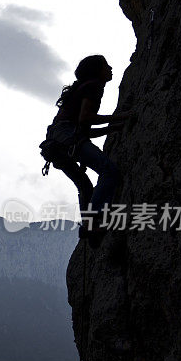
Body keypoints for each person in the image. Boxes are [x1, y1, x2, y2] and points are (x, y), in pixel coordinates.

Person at [42, 55, 129, 236]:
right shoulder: (94, 86)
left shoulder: (80, 89)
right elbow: (85, 119)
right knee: (108, 170)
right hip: (65, 136)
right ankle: (93, 221)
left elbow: (81, 130)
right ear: (97, 71)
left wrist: (111, 129)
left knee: (84, 185)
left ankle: (89, 228)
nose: (111, 68)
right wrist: (119, 118)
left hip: (55, 144)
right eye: (106, 65)